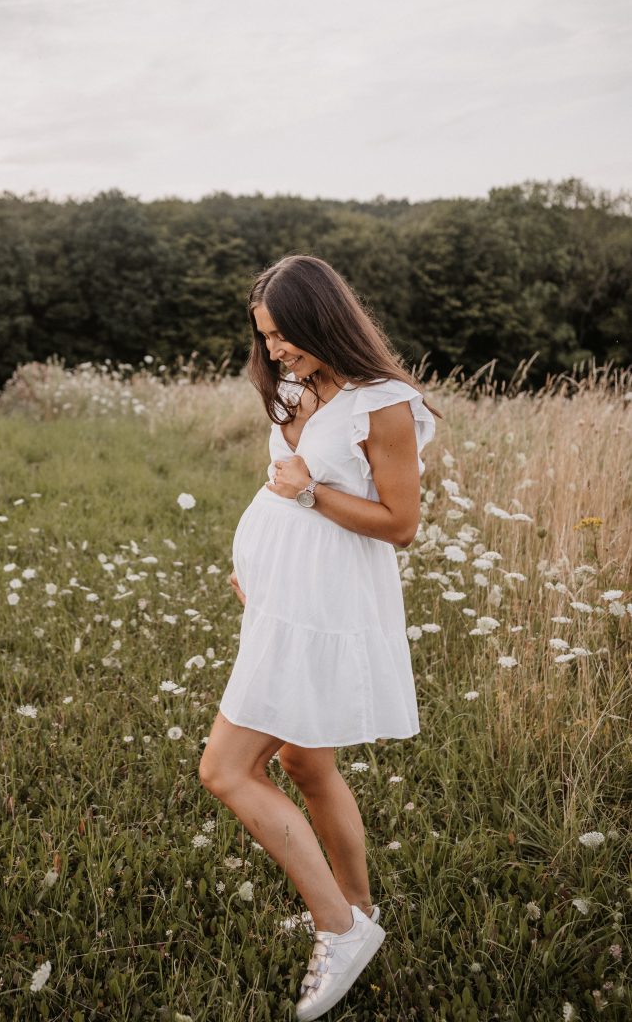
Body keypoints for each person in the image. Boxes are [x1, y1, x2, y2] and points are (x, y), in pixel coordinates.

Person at [199, 254, 441, 1021]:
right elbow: (280, 491)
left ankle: (336, 931)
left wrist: (311, 493)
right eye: (264, 337)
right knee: (305, 762)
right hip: (283, 600)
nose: (272, 351)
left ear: (320, 320)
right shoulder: (299, 389)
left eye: (282, 335)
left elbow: (399, 525)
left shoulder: (383, 404)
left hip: (324, 609)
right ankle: (357, 910)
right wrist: (261, 570)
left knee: (225, 771)